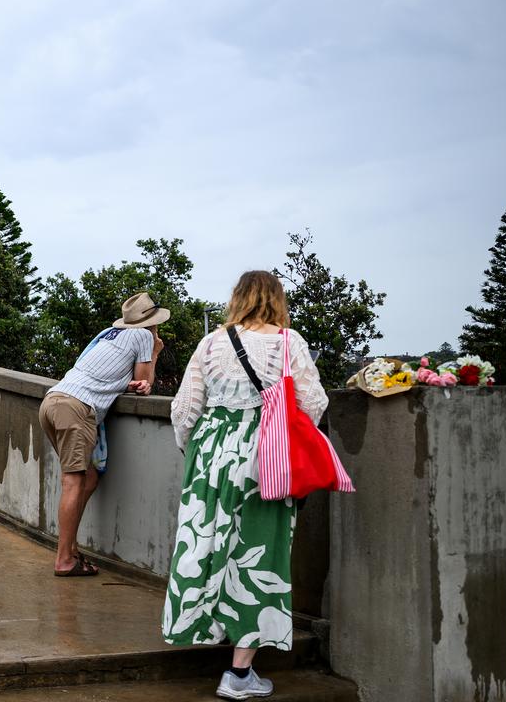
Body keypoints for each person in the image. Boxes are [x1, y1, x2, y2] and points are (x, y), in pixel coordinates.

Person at [163, 270, 328, 700]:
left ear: (237, 298)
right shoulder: (290, 342)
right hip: (265, 456)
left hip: (211, 452)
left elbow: (185, 409)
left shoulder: (212, 342)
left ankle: (206, 627)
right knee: (259, 552)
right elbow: (313, 403)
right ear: (276, 300)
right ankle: (238, 672)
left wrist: (197, 454)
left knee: (206, 544)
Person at [39, 292, 166, 577]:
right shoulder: (144, 337)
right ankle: (64, 559)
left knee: (90, 477)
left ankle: (70, 549)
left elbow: (115, 376)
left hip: (52, 401)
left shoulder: (108, 334)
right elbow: (145, 382)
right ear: (152, 323)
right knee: (73, 481)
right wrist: (155, 352)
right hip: (76, 408)